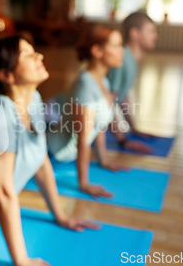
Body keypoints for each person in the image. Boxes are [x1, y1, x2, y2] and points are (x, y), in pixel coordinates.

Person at [0, 36, 99, 266]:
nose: (39, 56)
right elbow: (1, 190)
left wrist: (60, 216)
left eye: (35, 52)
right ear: (6, 75)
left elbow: (40, 162)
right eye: (29, 55)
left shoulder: (34, 100)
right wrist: (22, 260)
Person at [46, 26, 128, 198]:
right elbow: (83, 140)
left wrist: (103, 161)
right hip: (51, 153)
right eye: (116, 46)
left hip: (66, 155)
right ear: (97, 51)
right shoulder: (85, 86)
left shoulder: (102, 81)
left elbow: (99, 125)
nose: (122, 51)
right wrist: (83, 183)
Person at [107, 12, 159, 147]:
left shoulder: (130, 59)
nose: (155, 36)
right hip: (59, 118)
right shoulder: (122, 59)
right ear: (134, 33)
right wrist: (123, 140)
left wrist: (133, 129)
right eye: (151, 31)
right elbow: (107, 103)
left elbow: (122, 96)